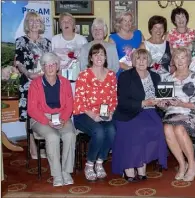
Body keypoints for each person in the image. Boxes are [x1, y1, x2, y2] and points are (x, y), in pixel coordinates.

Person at [112, 49, 168, 182]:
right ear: (133, 61)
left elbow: (160, 99)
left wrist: (162, 104)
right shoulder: (125, 76)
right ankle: (129, 167)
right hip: (128, 113)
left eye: (144, 58)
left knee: (157, 129)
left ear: (149, 61)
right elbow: (122, 101)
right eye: (138, 58)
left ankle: (141, 165)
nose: (141, 61)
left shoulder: (156, 76)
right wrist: (143, 103)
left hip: (150, 112)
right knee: (136, 132)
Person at [27, 52, 76, 187]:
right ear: (42, 67)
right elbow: (32, 109)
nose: (50, 67)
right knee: (52, 137)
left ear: (58, 66)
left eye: (53, 64)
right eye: (46, 65)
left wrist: (64, 119)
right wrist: (46, 120)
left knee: (70, 135)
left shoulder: (65, 82)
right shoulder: (35, 84)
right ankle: (57, 174)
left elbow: (69, 105)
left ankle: (66, 172)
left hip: (61, 117)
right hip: (41, 118)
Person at [159, 47, 195, 182]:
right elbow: (165, 104)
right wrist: (162, 104)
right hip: (172, 113)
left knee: (179, 128)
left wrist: (181, 104)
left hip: (190, 112)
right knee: (167, 128)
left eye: (183, 57)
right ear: (173, 60)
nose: (180, 61)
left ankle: (192, 164)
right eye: (177, 57)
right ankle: (182, 164)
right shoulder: (167, 78)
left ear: (189, 60)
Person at [73, 44, 117, 182]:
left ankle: (100, 162)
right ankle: (89, 164)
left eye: (102, 54)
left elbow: (114, 99)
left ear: (105, 57)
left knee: (112, 130)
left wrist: (110, 113)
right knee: (99, 131)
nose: (99, 57)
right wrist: (93, 116)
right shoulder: (83, 75)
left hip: (104, 113)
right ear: (91, 58)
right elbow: (79, 101)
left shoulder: (111, 75)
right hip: (84, 114)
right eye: (96, 54)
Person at [15, 11, 52, 159]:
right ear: (27, 24)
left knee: (44, 113)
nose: (34, 24)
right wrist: (28, 74)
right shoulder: (21, 41)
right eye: (31, 21)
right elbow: (18, 62)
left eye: (37, 21)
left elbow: (51, 62)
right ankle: (32, 147)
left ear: (41, 24)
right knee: (30, 114)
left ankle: (42, 145)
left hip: (44, 83)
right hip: (28, 82)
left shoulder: (47, 43)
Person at [51, 12, 88, 79]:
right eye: (63, 21)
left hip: (78, 78)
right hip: (59, 78)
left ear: (74, 25)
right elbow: (50, 61)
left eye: (69, 21)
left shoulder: (82, 40)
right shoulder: (54, 40)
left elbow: (86, 61)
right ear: (60, 26)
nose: (66, 23)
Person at [109, 12, 144, 77]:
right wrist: (128, 68)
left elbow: (144, 52)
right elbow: (112, 59)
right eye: (125, 21)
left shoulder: (138, 34)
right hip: (121, 74)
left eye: (130, 21)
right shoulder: (113, 38)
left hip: (138, 72)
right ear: (119, 22)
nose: (128, 23)